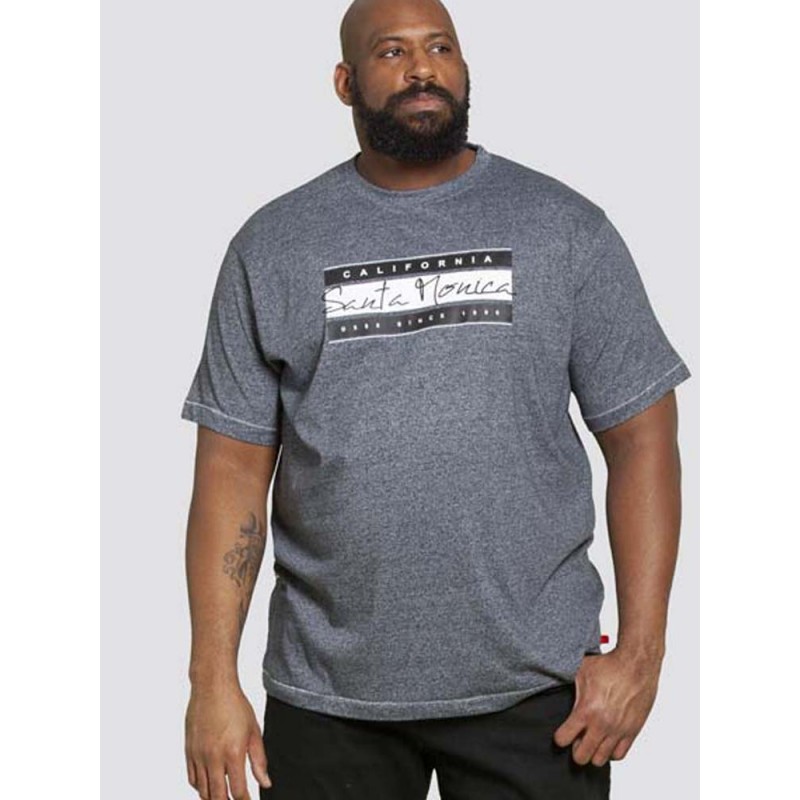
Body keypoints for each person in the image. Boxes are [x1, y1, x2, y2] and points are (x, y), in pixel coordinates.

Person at [180, 0, 692, 797]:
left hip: (537, 696)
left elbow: (642, 437)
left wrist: (642, 655)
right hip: (328, 699)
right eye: (392, 51)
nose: (423, 68)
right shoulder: (273, 245)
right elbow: (231, 471)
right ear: (345, 82)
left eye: (440, 48)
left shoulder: (563, 228)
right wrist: (211, 682)